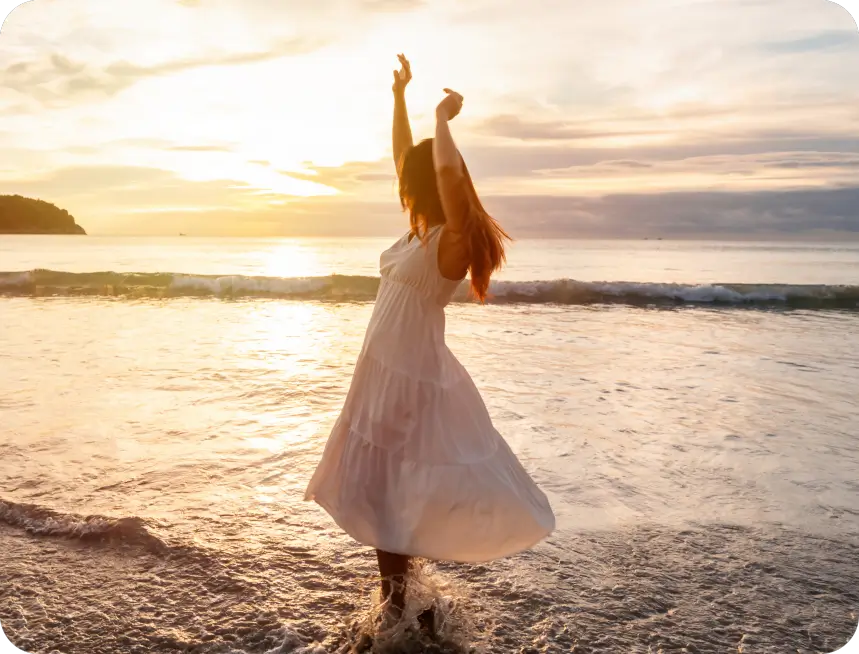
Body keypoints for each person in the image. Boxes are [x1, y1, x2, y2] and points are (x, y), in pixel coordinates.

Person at [304, 54, 555, 626]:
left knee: (390, 489)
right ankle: (405, 602)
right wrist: (399, 98)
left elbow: (444, 174)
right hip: (381, 369)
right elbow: (405, 160)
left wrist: (442, 120)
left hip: (409, 374)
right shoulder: (419, 229)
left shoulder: (453, 240)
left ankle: (400, 606)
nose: (406, 179)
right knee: (384, 486)